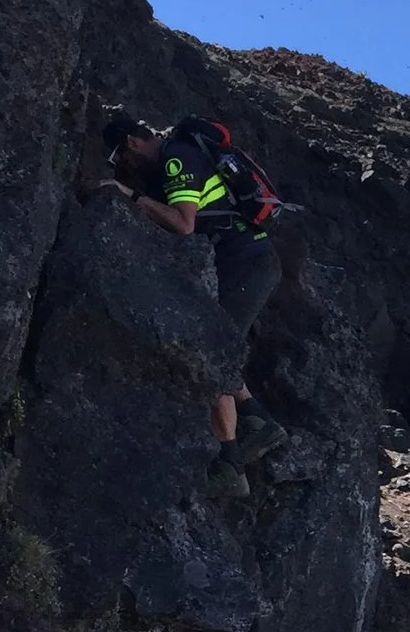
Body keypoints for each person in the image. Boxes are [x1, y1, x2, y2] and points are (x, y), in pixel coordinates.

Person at [100, 112, 289, 494]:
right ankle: (253, 425)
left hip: (246, 261)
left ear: (133, 143)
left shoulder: (176, 159)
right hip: (245, 259)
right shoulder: (179, 154)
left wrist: (131, 195)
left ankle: (234, 462)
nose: (125, 165)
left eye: (122, 156)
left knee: (214, 354)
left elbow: (184, 224)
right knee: (215, 351)